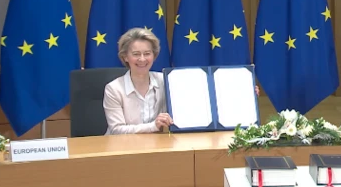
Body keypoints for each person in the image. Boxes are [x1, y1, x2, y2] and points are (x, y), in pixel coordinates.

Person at [104, 27, 261, 135]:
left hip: (156, 147)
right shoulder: (113, 89)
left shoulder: (166, 80)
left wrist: (243, 93)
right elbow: (117, 130)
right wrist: (154, 126)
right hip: (121, 150)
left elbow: (202, 99)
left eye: (147, 53)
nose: (142, 59)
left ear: (154, 55)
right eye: (136, 54)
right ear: (125, 57)